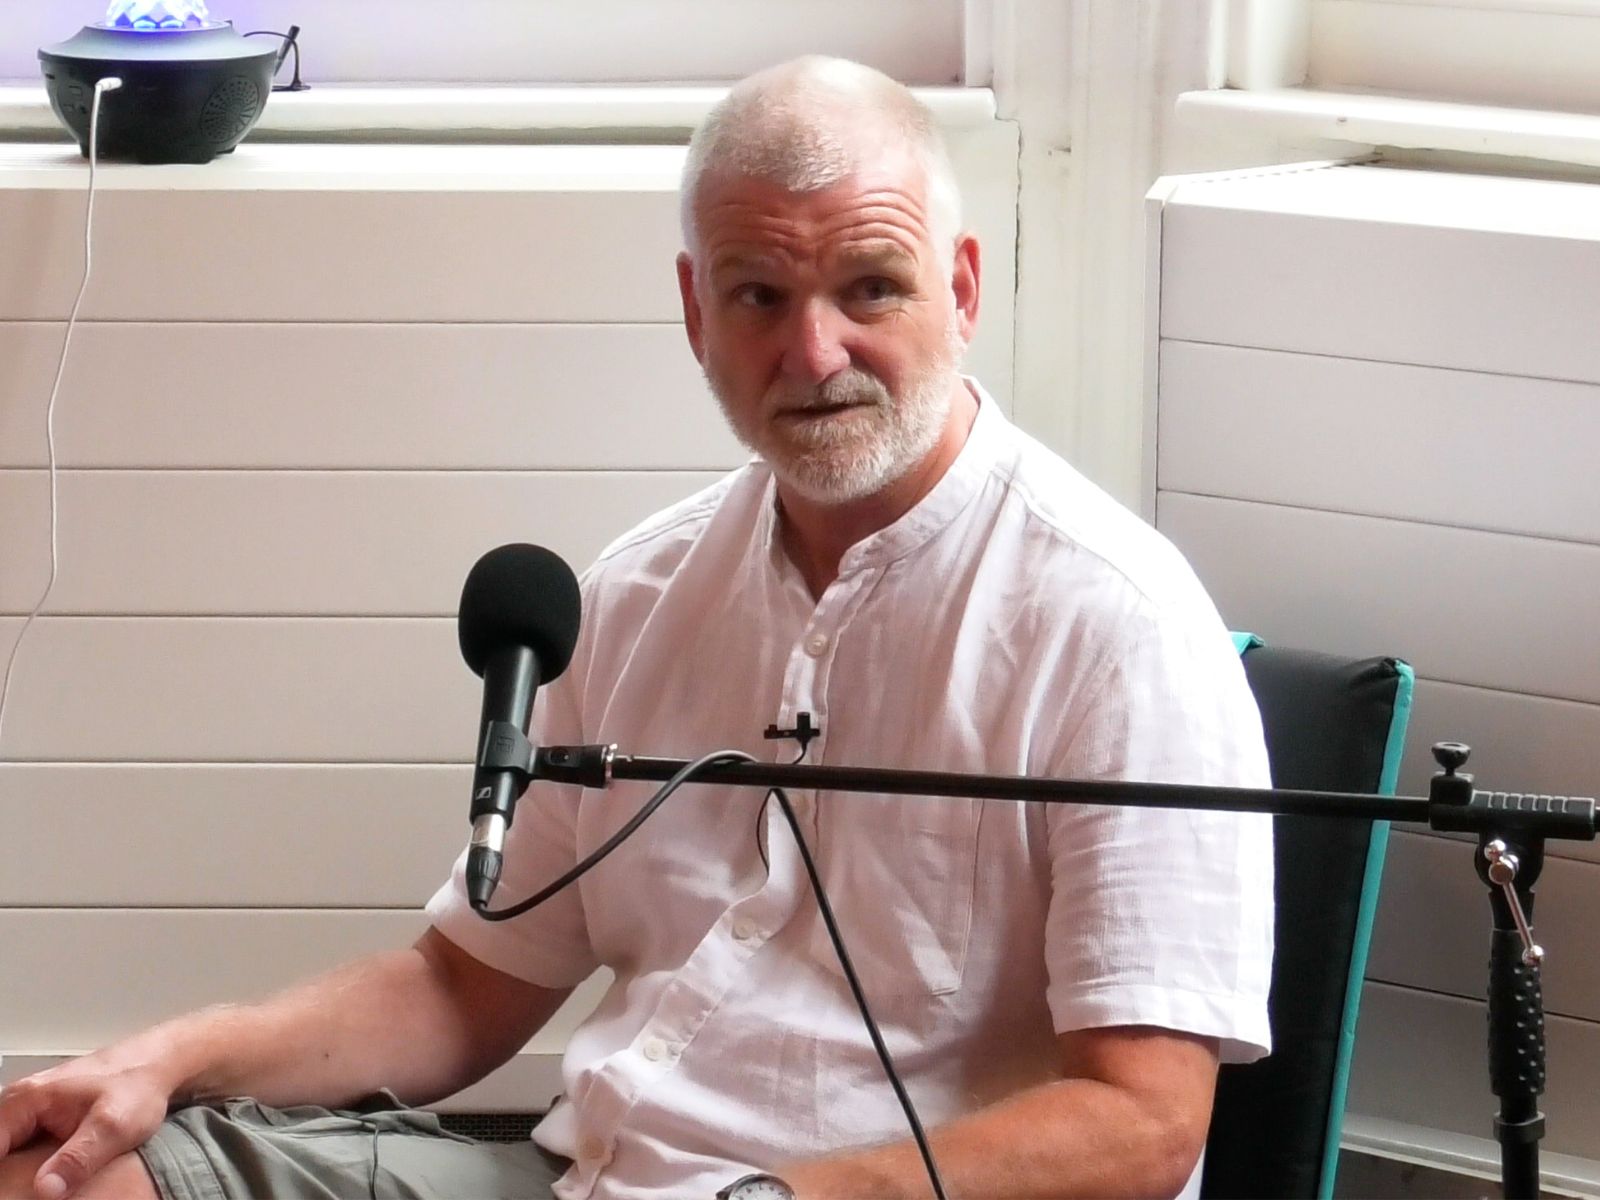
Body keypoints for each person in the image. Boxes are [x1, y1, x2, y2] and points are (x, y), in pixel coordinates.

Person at [0, 56, 1272, 1200]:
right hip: (581, 1171)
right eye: (759, 295)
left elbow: (1143, 1123)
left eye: (870, 290)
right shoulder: (638, 592)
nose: (813, 351)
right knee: (54, 1174)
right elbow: (461, 991)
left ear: (962, 288)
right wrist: (170, 1059)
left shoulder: (1118, 626)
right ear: (695, 312)